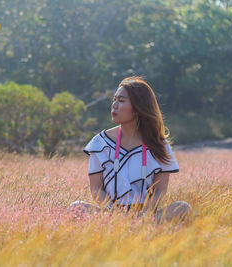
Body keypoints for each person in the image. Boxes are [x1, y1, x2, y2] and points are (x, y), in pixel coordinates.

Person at [69, 76, 192, 224]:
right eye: (114, 99)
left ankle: (142, 226)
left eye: (121, 101)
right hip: (111, 215)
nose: (114, 105)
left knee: (183, 208)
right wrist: (114, 214)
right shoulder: (100, 142)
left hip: (146, 216)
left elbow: (160, 190)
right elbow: (96, 189)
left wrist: (144, 215)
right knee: (76, 208)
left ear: (138, 107)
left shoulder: (158, 144)